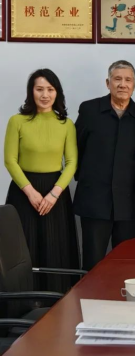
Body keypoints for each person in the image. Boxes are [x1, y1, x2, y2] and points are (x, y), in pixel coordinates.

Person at [4, 69, 79, 292]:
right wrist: (30, 191)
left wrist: (54, 194)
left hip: (55, 192)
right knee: (23, 246)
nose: (45, 95)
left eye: (50, 89)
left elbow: (72, 162)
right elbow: (10, 160)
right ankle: (22, 300)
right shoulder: (17, 121)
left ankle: (56, 298)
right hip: (23, 191)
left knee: (55, 245)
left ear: (57, 93)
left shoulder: (66, 124)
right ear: (31, 92)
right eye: (39, 89)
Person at [74, 60, 135, 270]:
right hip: (94, 201)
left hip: (127, 203)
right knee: (92, 263)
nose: (123, 84)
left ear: (134, 85)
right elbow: (75, 149)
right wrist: (86, 178)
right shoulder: (90, 110)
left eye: (128, 80)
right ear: (108, 83)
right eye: (117, 79)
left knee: (126, 264)